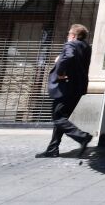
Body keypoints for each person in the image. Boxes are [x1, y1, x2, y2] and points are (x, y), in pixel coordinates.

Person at [36, 24, 93, 158]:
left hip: (66, 87)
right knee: (61, 117)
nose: (67, 36)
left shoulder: (71, 45)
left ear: (73, 36)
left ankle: (82, 137)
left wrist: (60, 70)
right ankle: (52, 148)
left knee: (58, 118)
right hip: (78, 88)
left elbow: (68, 57)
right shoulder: (86, 47)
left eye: (69, 34)